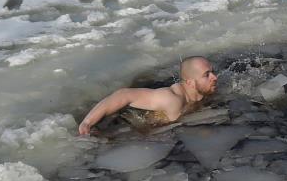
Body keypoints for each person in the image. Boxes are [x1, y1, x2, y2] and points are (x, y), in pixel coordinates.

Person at [77, 56, 218, 135]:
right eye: (207, 75)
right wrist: (87, 122)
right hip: (132, 123)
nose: (215, 77)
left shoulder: (206, 91)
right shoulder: (170, 98)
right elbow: (124, 94)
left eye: (212, 71)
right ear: (190, 83)